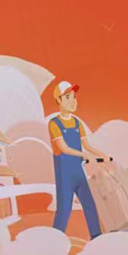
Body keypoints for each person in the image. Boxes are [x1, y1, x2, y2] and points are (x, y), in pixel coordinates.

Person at [48, 81, 109, 239]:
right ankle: (55, 240)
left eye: (74, 97)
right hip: (65, 174)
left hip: (78, 172)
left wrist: (101, 155)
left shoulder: (77, 123)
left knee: (89, 204)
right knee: (64, 209)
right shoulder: (54, 124)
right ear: (59, 100)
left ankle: (96, 236)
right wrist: (84, 155)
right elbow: (64, 148)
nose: (73, 101)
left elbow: (87, 145)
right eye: (68, 97)